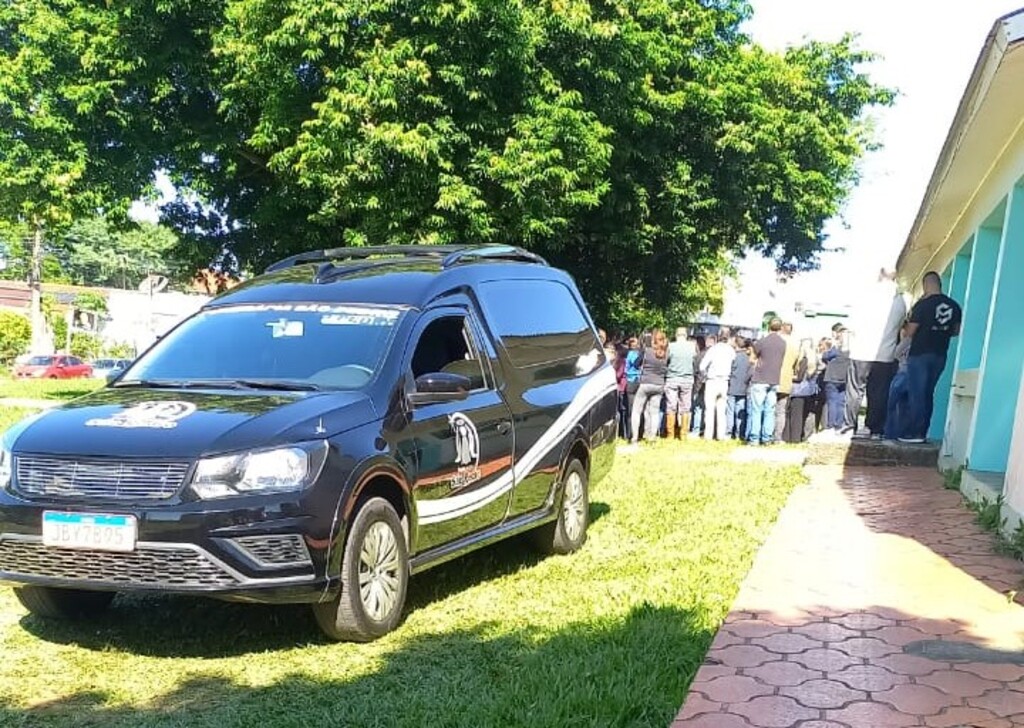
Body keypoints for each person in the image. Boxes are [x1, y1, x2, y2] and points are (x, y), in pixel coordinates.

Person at [843, 269, 908, 438]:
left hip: (861, 351)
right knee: (879, 393)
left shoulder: (866, 296)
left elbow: (852, 324)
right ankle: (875, 429)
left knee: (855, 391)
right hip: (885, 353)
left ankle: (850, 426)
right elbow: (900, 325)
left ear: (879, 275)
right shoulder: (900, 300)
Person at [900, 271, 962, 443]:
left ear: (925, 284)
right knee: (928, 393)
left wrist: (904, 327)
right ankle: (923, 431)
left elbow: (910, 332)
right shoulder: (954, 306)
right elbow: (956, 331)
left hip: (920, 354)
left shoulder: (923, 305)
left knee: (916, 393)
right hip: (940, 354)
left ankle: (914, 433)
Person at [747, 319, 787, 446]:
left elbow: (752, 359)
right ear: (780, 328)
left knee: (757, 410)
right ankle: (767, 438)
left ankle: (754, 438)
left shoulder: (762, 341)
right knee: (770, 410)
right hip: (774, 379)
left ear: (769, 327)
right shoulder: (783, 343)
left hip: (760, 378)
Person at [631, 330, 669, 443]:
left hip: (645, 383)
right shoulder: (666, 354)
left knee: (636, 411)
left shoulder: (647, 351)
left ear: (654, 340)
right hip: (659, 385)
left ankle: (634, 437)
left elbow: (636, 364)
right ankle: (652, 437)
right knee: (654, 412)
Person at [699, 332, 736, 440]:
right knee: (722, 411)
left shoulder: (713, 349)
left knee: (709, 410)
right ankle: (721, 435)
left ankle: (708, 435)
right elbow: (734, 364)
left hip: (712, 380)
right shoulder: (731, 350)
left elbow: (702, 366)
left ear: (718, 338)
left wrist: (706, 375)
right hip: (724, 381)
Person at [883, 323, 913, 443]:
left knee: (892, 404)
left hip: (903, 372)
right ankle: (903, 433)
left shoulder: (907, 340)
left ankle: (891, 433)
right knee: (906, 406)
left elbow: (896, 353)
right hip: (914, 375)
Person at [664, 327, 696, 439]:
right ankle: (683, 434)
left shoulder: (671, 346)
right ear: (686, 335)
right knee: (685, 407)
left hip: (672, 378)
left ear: (676, 335)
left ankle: (670, 434)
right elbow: (694, 362)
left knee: (671, 406)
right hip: (687, 379)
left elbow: (666, 361)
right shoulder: (692, 346)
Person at [786, 338, 819, 443]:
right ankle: (801, 437)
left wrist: (788, 377)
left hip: (798, 391)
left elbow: (799, 378)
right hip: (808, 391)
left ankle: (793, 438)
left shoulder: (803, 361)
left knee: (796, 416)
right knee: (803, 415)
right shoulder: (814, 361)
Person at [821, 326, 850, 432]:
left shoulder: (837, 348)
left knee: (832, 401)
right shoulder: (851, 349)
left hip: (832, 377)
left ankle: (831, 424)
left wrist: (832, 346)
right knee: (841, 402)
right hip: (844, 378)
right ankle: (839, 423)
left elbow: (825, 356)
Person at [775, 322, 799, 443]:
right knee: (781, 411)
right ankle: (778, 437)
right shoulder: (795, 344)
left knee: (769, 409)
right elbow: (798, 364)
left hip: (772, 378)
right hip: (786, 380)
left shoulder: (777, 341)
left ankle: (766, 435)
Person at [726, 336, 751, 439]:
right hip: (743, 388)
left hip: (732, 387)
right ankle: (739, 433)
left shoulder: (734, 356)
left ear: (736, 344)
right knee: (740, 413)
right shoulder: (749, 358)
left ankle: (728, 433)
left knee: (730, 412)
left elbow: (729, 371)